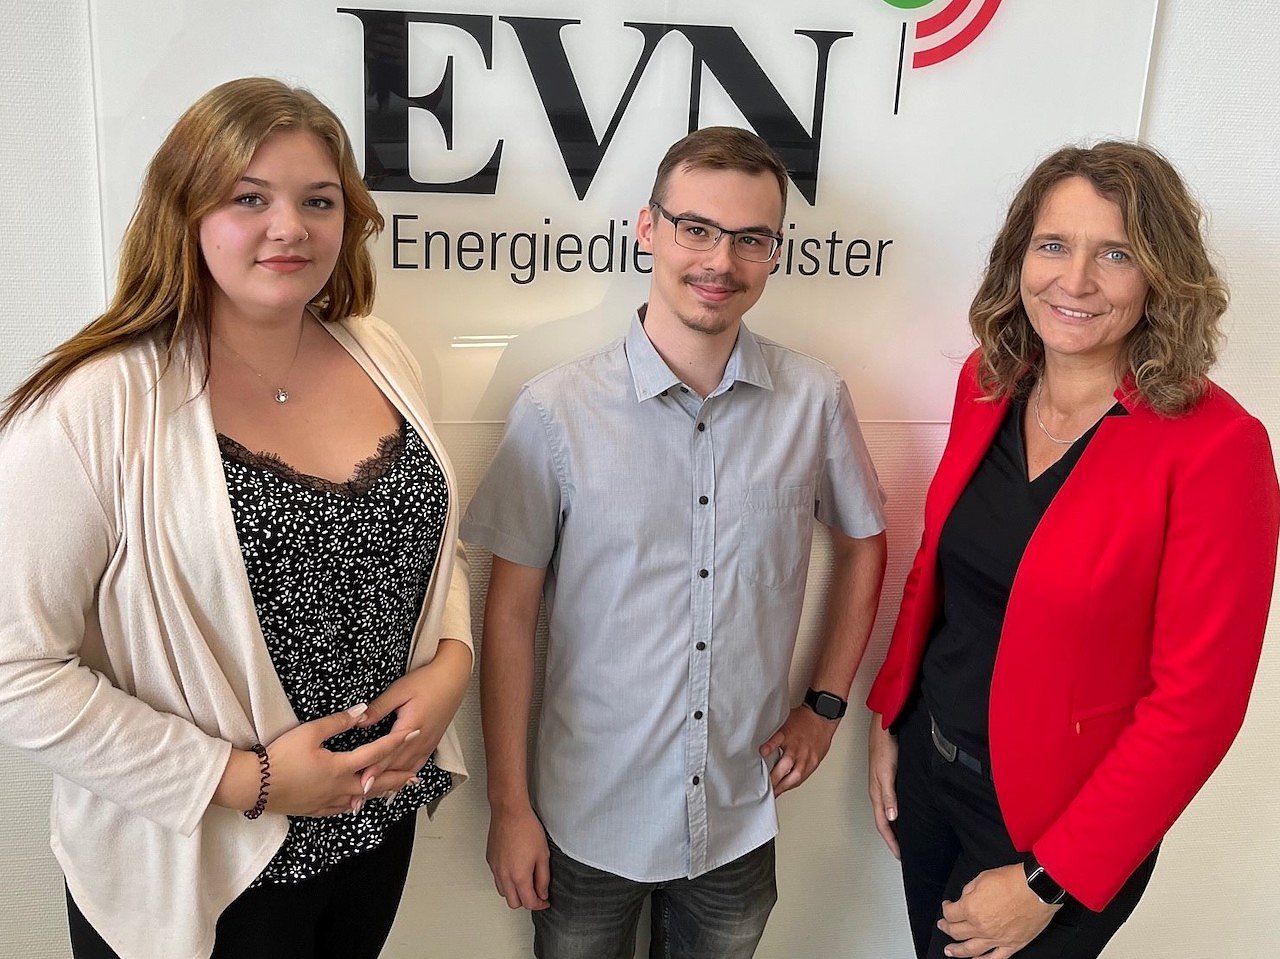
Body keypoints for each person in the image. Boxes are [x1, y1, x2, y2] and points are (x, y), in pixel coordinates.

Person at [0, 77, 474, 959]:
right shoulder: (98, 404)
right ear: (184, 211)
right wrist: (240, 778)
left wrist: (454, 661)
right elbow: (15, 669)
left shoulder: (379, 350)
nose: (290, 227)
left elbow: (425, 537)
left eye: (318, 200)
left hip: (372, 835)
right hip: (203, 869)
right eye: (248, 198)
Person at [462, 126, 888, 959]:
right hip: (587, 820)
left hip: (737, 813)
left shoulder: (814, 400)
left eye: (751, 238)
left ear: (774, 252)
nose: (720, 261)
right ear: (648, 228)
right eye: (696, 228)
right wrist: (510, 806)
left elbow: (865, 543)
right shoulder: (555, 410)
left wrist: (826, 706)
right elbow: (508, 617)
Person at [865, 141, 1280, 959]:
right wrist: (893, 712)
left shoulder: (1218, 449)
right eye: (1053, 245)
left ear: (1161, 275)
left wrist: (1048, 879)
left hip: (1051, 829)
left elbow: (1197, 708)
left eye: (1115, 254)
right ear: (1020, 257)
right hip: (929, 772)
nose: (1076, 279)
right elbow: (938, 564)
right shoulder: (990, 380)